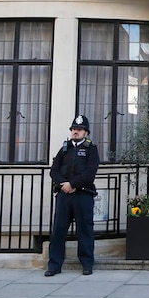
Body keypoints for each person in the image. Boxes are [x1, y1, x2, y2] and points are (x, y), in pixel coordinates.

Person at [46, 114, 100, 277]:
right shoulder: (64, 149)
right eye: (74, 129)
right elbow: (54, 170)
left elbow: (91, 172)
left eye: (80, 129)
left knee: (85, 230)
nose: (76, 132)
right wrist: (63, 184)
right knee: (58, 230)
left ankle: (87, 264)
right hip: (64, 195)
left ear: (86, 133)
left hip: (83, 195)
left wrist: (73, 184)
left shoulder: (91, 149)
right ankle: (54, 265)